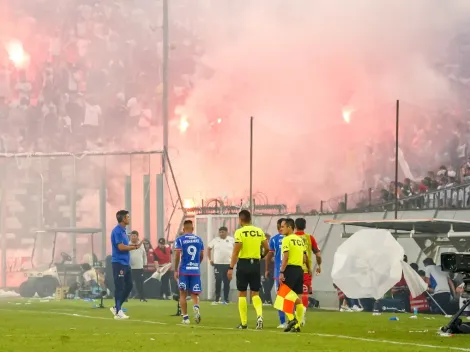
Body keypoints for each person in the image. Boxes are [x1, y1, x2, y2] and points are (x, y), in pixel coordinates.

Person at [228, 210, 270, 330]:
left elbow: (236, 251)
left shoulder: (239, 232)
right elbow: (267, 248)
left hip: (244, 264)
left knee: (242, 293)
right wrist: (261, 256)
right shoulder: (259, 231)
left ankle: (244, 323)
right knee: (255, 293)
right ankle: (260, 316)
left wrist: (231, 267)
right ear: (250, 219)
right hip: (256, 264)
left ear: (240, 220)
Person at [280, 218, 310, 333]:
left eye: (283, 226)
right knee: (298, 297)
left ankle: (292, 319)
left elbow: (286, 257)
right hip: (300, 269)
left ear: (289, 227)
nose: (281, 229)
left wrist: (282, 271)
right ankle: (296, 326)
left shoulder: (286, 240)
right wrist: (308, 269)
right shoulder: (299, 240)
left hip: (290, 269)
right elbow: (304, 257)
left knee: (283, 296)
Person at [110, 210, 142, 320]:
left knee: (129, 286)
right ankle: (118, 311)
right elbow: (121, 247)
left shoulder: (124, 231)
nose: (129, 218)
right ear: (123, 219)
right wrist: (134, 247)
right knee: (119, 287)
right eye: (127, 217)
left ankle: (116, 307)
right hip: (118, 263)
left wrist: (133, 246)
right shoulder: (117, 231)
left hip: (125, 263)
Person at [174, 220, 204, 324]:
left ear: (183, 229)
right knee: (194, 294)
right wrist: (197, 264)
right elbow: (202, 255)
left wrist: (175, 269)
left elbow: (177, 255)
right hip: (195, 270)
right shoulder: (199, 240)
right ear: (193, 228)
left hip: (184, 270)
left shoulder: (180, 240)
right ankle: (196, 307)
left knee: (182, 294)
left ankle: (185, 318)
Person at [294, 217, 322, 326]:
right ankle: (302, 315)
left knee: (294, 295)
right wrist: (319, 265)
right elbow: (318, 255)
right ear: (305, 226)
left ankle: (296, 316)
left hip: (293, 270)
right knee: (304, 293)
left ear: (295, 226)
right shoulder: (310, 238)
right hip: (305, 271)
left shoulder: (291, 238)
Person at [264, 218, 287, 328]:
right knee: (292, 296)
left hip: (279, 273)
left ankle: (283, 322)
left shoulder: (274, 240)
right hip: (293, 272)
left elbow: (269, 256)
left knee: (280, 297)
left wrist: (267, 269)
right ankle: (296, 319)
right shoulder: (294, 238)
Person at [207, 226, 234, 304]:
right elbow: (208, 248)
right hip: (218, 264)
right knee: (218, 280)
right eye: (220, 232)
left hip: (228, 264)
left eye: (223, 232)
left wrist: (235, 259)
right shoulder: (215, 240)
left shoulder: (231, 240)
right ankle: (217, 298)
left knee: (227, 282)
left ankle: (226, 299)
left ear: (226, 232)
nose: (221, 233)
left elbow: (236, 249)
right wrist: (210, 259)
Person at [129, 230, 147, 302]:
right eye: (132, 236)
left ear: (137, 237)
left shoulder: (141, 245)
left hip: (139, 267)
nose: (133, 238)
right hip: (130, 267)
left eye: (134, 236)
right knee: (128, 283)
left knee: (140, 284)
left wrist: (144, 264)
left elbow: (144, 255)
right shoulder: (128, 244)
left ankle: (142, 297)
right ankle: (125, 297)